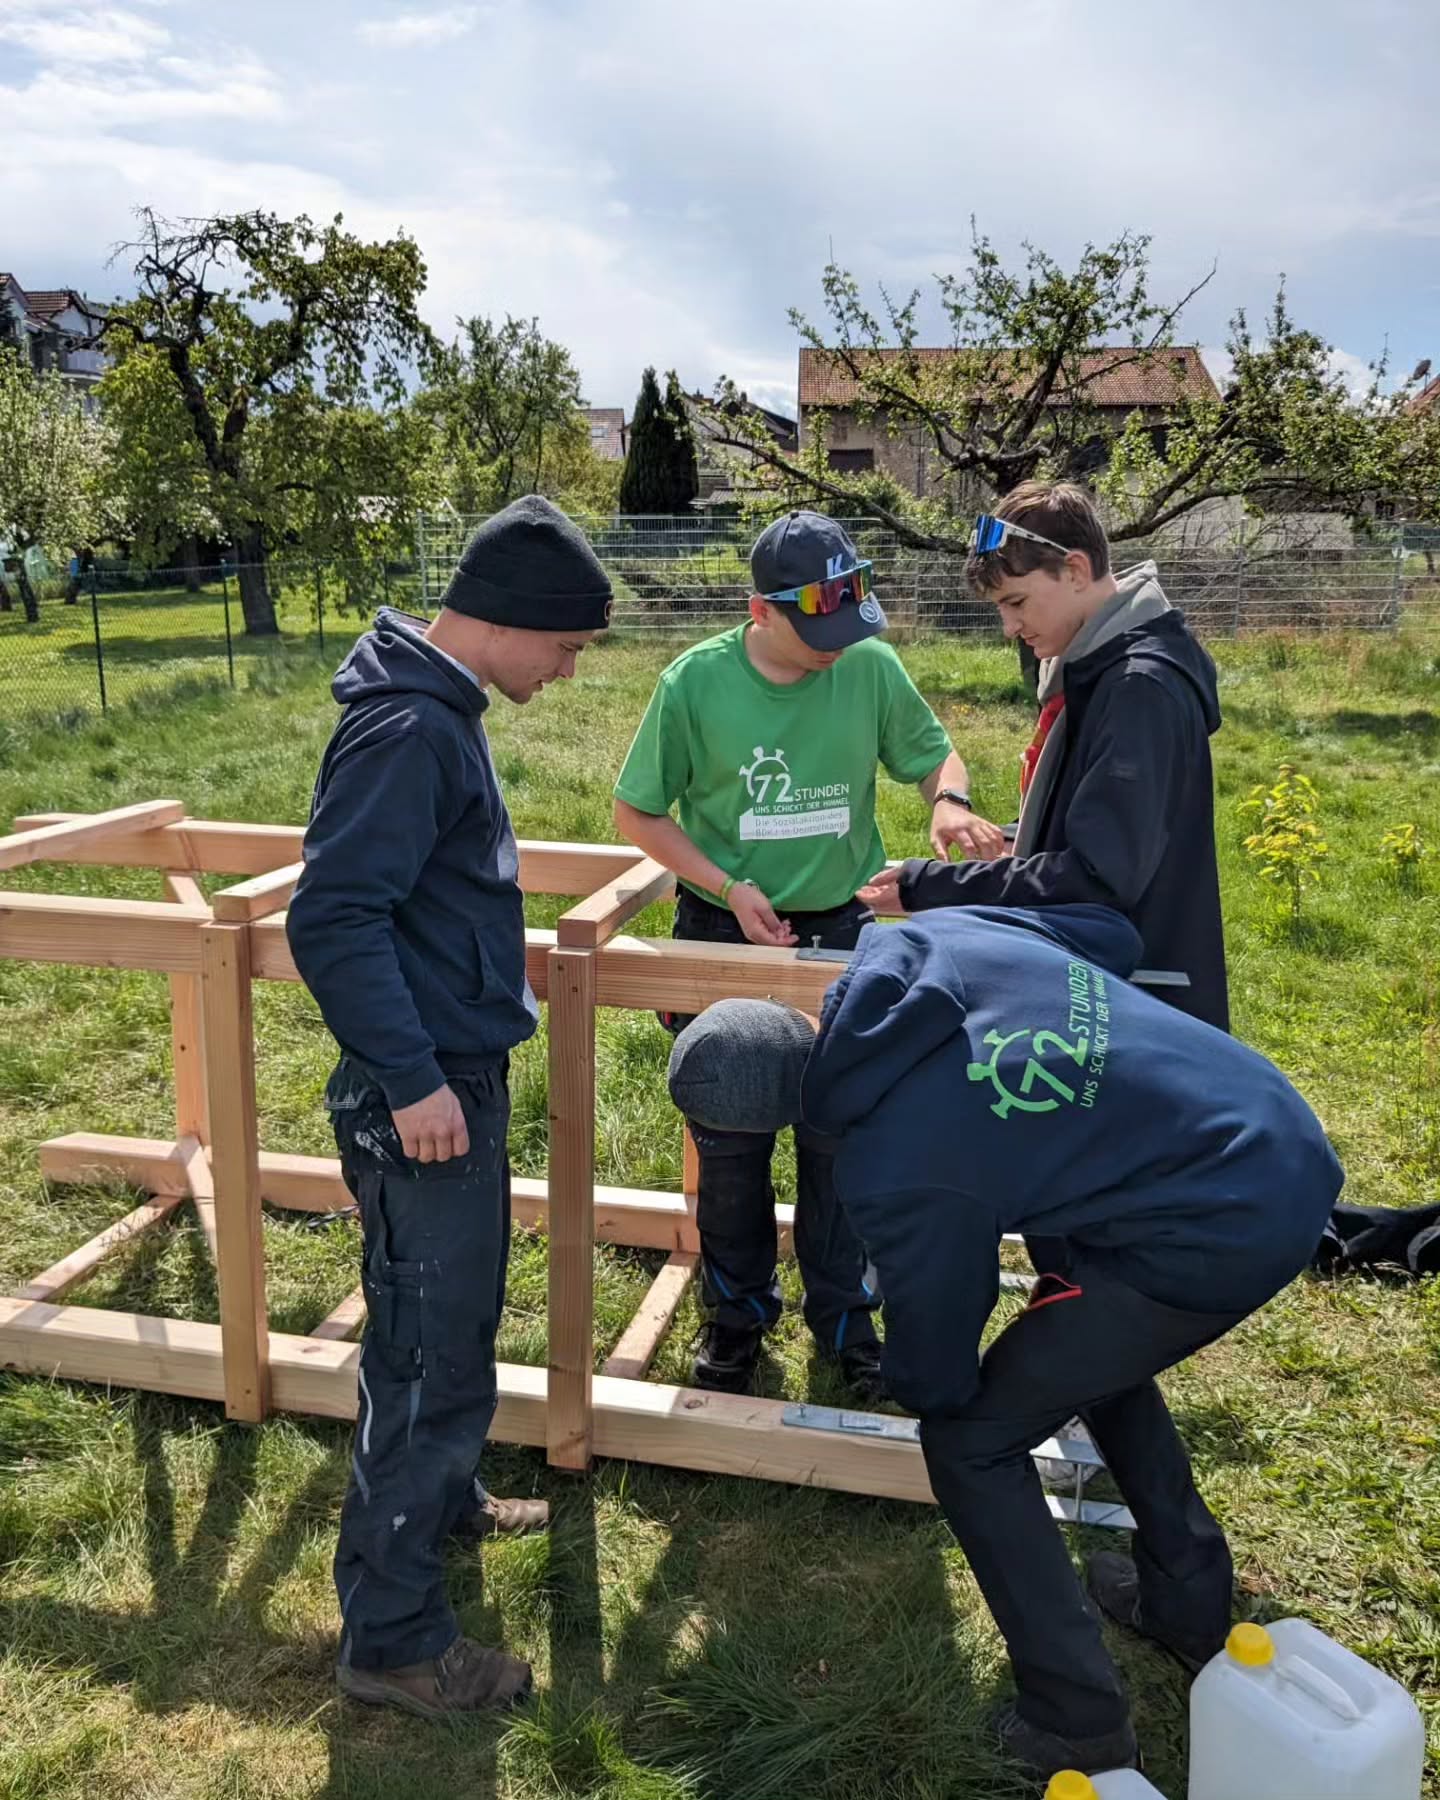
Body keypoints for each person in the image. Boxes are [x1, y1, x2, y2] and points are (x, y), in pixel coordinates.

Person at [666, 904, 1342, 1778]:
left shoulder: (897, 1165)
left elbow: (942, 1368)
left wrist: (916, 1376)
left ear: (774, 1127)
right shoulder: (921, 939)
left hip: (1227, 1221)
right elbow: (1113, 937)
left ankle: (1078, 1719)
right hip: (1254, 1115)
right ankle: (1186, 1599)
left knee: (974, 1442)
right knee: (1079, 1354)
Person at [286, 495, 612, 1719]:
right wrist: (416, 1078)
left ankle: (448, 1503)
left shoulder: (438, 715)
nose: (568, 671)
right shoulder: (410, 733)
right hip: (417, 1094)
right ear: (509, 620)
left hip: (445, 1077)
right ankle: (396, 1644)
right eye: (567, 649)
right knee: (425, 1360)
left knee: (451, 1328)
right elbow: (332, 918)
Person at [614, 509, 1005, 1399]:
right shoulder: (693, 685)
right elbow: (637, 812)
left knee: (845, 1133)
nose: (837, 646)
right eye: (815, 629)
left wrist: (946, 801)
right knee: (734, 1129)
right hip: (726, 932)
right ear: (760, 612)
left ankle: (845, 1317)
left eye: (846, 623)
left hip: (844, 928)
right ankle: (736, 1316)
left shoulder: (865, 662)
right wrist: (725, 886)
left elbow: (932, 752)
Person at [859, 482, 1229, 1031]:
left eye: (1016, 602)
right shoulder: (1099, 668)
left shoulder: (1139, 689)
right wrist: (1018, 839)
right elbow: (1110, 825)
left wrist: (931, 887)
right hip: (1109, 984)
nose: (1009, 627)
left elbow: (1098, 877)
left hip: (1134, 1003)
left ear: (1075, 570)